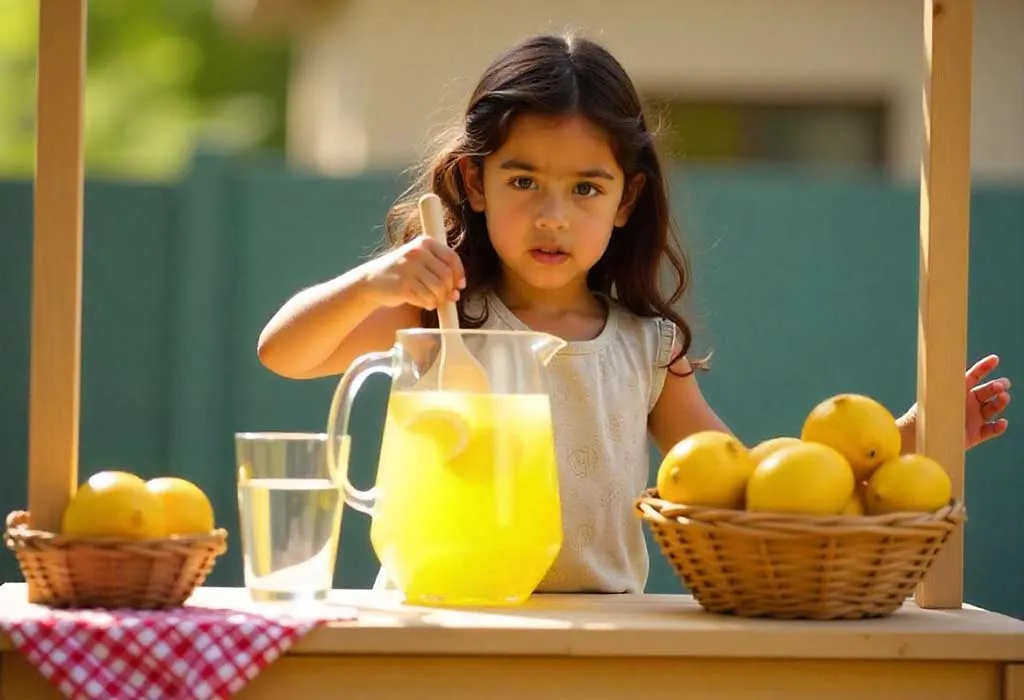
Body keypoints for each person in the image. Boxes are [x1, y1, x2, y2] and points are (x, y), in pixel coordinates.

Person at [256, 33, 1012, 594]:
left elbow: (748, 490)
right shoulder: (439, 317)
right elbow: (282, 351)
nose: (553, 216)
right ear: (474, 184)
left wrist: (911, 437)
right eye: (523, 182)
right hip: (442, 623)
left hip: (606, 640)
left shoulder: (645, 348)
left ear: (628, 201)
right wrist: (374, 282)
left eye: (586, 188)